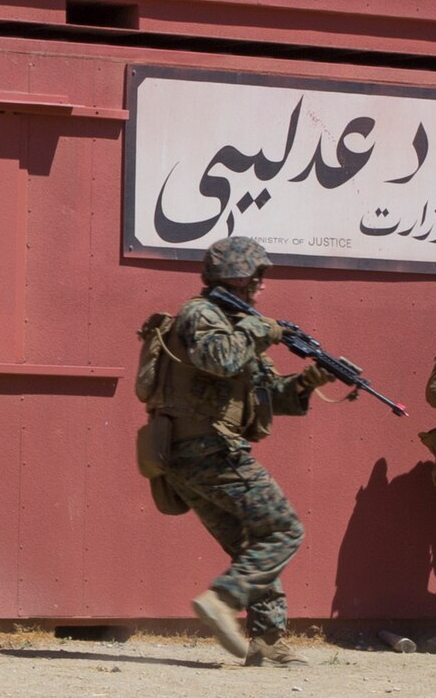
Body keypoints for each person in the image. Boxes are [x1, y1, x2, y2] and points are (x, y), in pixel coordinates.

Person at [157, 236, 334, 667]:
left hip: (200, 453)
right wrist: (261, 330)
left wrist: (311, 381)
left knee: (254, 547)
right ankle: (222, 599)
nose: (262, 287)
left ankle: (266, 643)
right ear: (237, 276)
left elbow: (270, 397)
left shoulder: (238, 322)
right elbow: (219, 359)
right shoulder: (201, 314)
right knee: (284, 531)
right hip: (207, 448)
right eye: (257, 277)